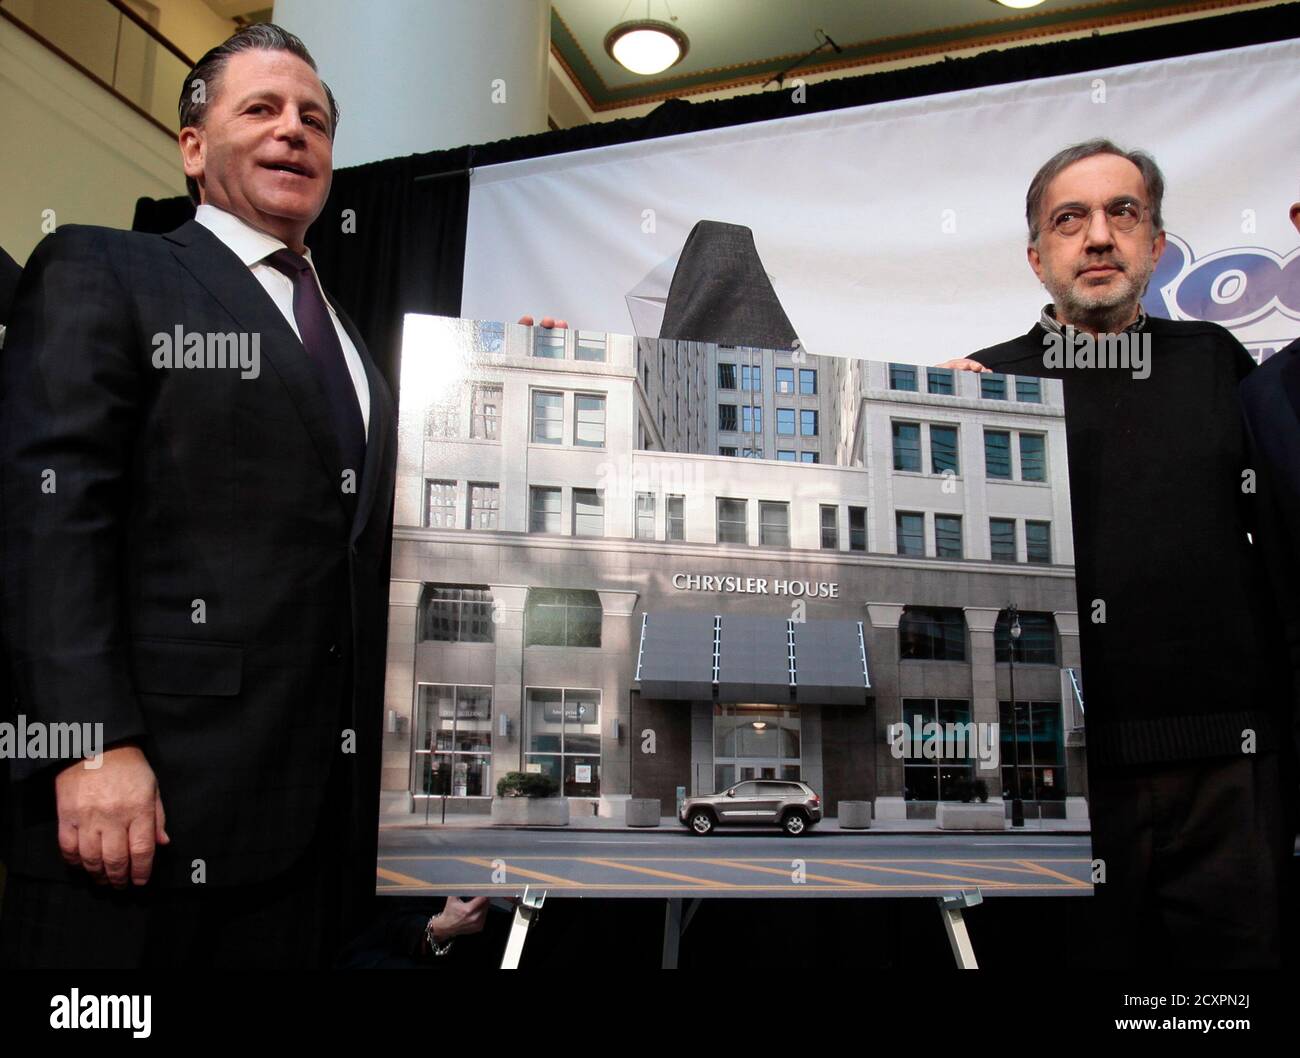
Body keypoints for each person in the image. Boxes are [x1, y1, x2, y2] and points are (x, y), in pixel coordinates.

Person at [0, 24, 505, 968]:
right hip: (143, 824)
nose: (293, 131)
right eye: (262, 109)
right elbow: (49, 512)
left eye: (314, 118)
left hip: (319, 843)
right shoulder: (105, 268)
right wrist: (90, 743)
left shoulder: (358, 347)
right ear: (192, 147)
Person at [940, 139, 1294, 968]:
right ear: (1038, 256)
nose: (1098, 237)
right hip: (1057, 783)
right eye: (1071, 220)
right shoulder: (983, 385)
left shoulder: (1215, 361)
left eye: (1122, 213)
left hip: (1229, 773)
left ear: (1156, 244)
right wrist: (942, 429)